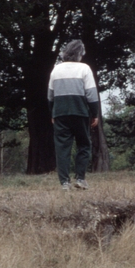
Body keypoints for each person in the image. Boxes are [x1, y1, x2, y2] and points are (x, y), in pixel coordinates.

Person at [48, 40, 100, 190]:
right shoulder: (84, 68)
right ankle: (80, 179)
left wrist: (52, 112)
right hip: (80, 112)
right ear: (80, 53)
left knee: (62, 148)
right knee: (84, 144)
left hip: (60, 113)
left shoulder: (56, 70)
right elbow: (91, 93)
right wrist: (94, 113)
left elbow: (50, 95)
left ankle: (64, 182)